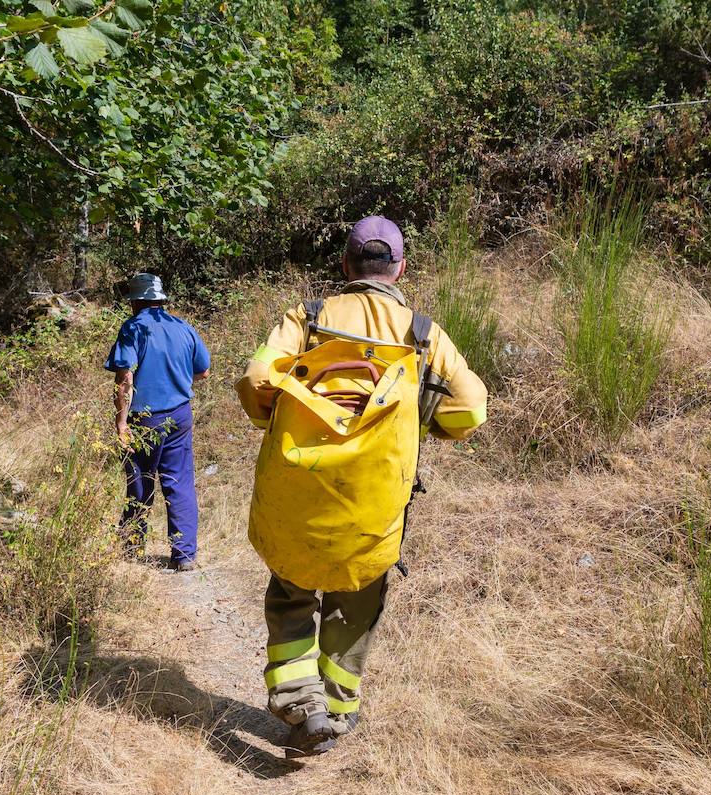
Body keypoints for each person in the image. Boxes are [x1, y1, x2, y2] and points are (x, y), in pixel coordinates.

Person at [236, 216, 488, 756]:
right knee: (357, 598)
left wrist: (273, 416)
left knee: (291, 590)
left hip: (298, 489)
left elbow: (258, 381)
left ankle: (298, 702)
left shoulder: (308, 319)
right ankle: (337, 710)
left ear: (346, 266)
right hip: (373, 501)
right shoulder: (422, 335)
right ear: (400, 269)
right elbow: (469, 409)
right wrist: (430, 420)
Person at [106, 272, 210, 572]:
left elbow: (125, 379)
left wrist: (122, 423)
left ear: (135, 302)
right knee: (179, 482)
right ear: (161, 300)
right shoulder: (182, 327)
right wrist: (178, 382)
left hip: (144, 418)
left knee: (140, 481)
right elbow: (203, 372)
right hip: (180, 414)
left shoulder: (132, 328)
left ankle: (131, 548)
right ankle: (184, 555)